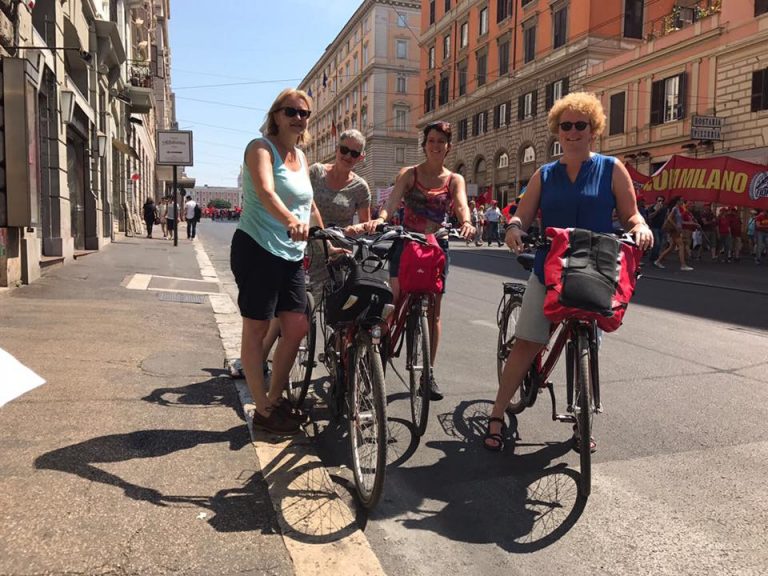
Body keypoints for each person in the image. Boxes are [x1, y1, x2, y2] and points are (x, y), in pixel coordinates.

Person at [484, 92, 653, 452]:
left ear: (594, 130)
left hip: (595, 266)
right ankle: (497, 413)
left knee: (588, 342)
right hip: (551, 267)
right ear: (557, 132)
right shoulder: (545, 174)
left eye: (581, 125)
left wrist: (641, 228)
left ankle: (583, 417)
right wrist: (514, 228)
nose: (573, 131)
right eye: (566, 126)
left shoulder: (611, 168)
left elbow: (631, 214)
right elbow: (522, 214)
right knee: (529, 341)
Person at [230, 87, 321, 435]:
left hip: (291, 254)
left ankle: (275, 397)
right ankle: (264, 411)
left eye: (304, 113)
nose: (298, 118)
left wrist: (323, 234)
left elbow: (308, 205)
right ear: (276, 115)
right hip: (258, 247)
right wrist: (290, 222)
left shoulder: (301, 157)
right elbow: (266, 191)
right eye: (291, 111)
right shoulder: (260, 148)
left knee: (296, 326)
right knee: (255, 327)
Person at [365, 120, 476, 399]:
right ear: (424, 145)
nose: (436, 145)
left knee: (433, 311)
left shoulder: (454, 179)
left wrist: (467, 222)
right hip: (406, 244)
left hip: (436, 247)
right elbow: (391, 204)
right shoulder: (409, 174)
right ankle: (376, 359)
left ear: (448, 147)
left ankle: (428, 373)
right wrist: (380, 219)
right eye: (431, 141)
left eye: (441, 141)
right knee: (394, 300)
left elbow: (461, 203)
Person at [654, 196, 694, 270]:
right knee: (681, 245)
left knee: (671, 247)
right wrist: (675, 226)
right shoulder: (675, 208)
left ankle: (658, 261)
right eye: (681, 200)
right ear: (677, 201)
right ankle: (683, 265)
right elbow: (669, 218)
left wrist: (691, 224)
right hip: (674, 230)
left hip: (677, 230)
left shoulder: (679, 209)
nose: (682, 202)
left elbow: (680, 221)